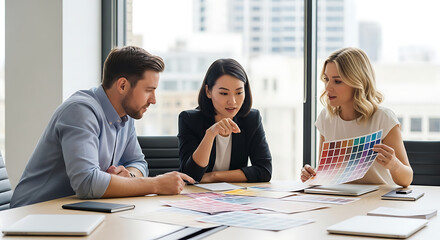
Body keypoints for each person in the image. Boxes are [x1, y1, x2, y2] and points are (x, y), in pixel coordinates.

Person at [11, 46, 194, 208]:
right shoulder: (80, 111)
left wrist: (128, 177)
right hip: (33, 215)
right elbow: (87, 183)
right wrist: (156, 184)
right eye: (148, 90)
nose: (153, 100)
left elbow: (138, 163)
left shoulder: (126, 116)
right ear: (122, 85)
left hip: (75, 212)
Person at [300, 47, 413, 187]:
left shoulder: (383, 118)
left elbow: (407, 179)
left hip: (378, 202)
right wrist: (313, 175)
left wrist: (394, 165)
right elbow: (328, 174)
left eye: (337, 81)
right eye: (326, 79)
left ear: (357, 82)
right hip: (342, 200)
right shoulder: (326, 118)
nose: (328, 87)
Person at [178, 58, 272, 183]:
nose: (232, 102)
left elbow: (264, 171)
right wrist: (210, 134)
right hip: (195, 197)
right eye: (224, 93)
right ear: (208, 91)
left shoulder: (251, 119)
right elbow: (190, 176)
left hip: (234, 196)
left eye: (239, 93)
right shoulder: (189, 120)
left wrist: (214, 176)